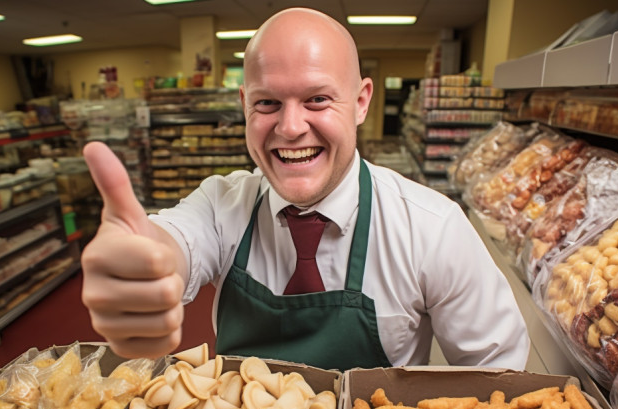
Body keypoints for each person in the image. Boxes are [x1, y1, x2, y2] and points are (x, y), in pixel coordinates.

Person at [80, 7, 530, 372]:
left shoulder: (433, 228)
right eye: (267, 103)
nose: (291, 127)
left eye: (317, 99)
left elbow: (499, 376)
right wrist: (142, 265)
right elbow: (173, 242)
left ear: (360, 101)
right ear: (244, 105)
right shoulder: (222, 204)